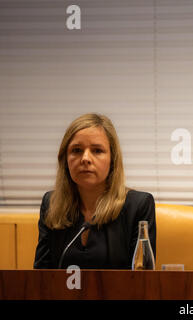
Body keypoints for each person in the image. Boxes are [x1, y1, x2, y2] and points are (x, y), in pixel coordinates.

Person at [34, 113, 156, 269]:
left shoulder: (138, 206)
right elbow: (41, 277)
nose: (85, 158)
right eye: (77, 150)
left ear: (113, 159)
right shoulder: (51, 204)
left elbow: (142, 278)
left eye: (97, 150)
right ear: (65, 160)